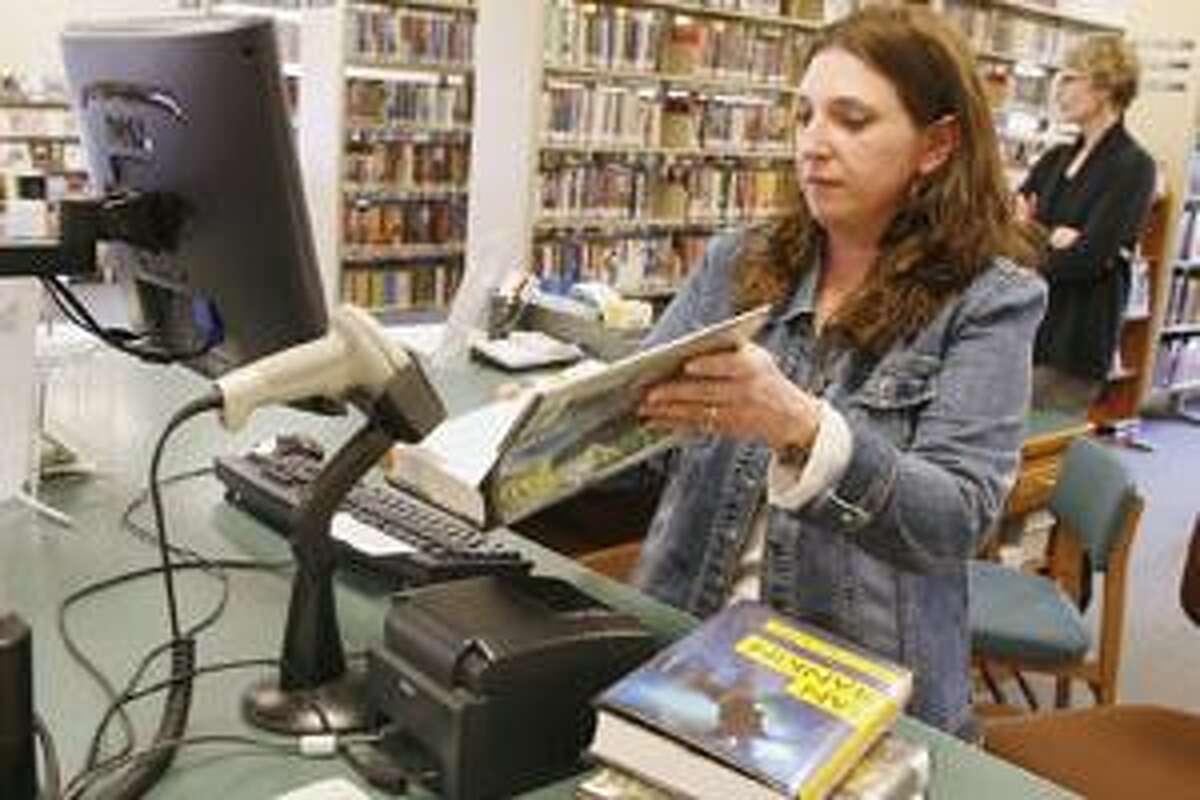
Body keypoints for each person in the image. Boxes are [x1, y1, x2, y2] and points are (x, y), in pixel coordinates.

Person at [632, 6, 1045, 738]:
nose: (814, 146)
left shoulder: (990, 300)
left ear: (936, 144)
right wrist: (554, 418)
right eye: (804, 117)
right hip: (681, 651)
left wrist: (803, 428)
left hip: (854, 692)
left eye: (851, 121)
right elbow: (639, 431)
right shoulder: (739, 260)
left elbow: (954, 518)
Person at [1018, 34, 1156, 411]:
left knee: (1039, 458)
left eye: (1070, 77)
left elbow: (1090, 258)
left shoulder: (1135, 166)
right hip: (1029, 326)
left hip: (1074, 340)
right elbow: (1008, 225)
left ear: (1104, 87)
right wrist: (1052, 238)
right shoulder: (1056, 157)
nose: (1058, 88)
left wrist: (1034, 238)